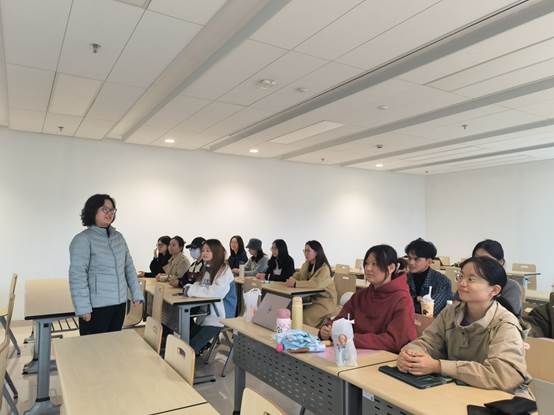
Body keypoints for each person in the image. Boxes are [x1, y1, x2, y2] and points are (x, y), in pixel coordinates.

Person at [398, 256, 531, 397]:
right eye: (460, 276)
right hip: (460, 390)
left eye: (471, 279)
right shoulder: (451, 312)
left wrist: (438, 366)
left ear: (494, 290)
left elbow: (502, 375)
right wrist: (410, 355)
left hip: (503, 398)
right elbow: (428, 342)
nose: (461, 283)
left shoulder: (505, 324)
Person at [69, 194, 144, 336]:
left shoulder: (118, 237)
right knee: (94, 347)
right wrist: (83, 307)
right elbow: (77, 276)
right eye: (105, 209)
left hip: (119, 304)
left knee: (113, 344)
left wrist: (136, 293)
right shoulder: (83, 239)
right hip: (96, 307)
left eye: (112, 210)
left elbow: (128, 267)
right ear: (93, 210)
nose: (109, 213)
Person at [319, 245, 416, 352]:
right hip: (355, 351)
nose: (368, 268)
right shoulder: (361, 295)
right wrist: (327, 329)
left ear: (391, 268)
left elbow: (395, 341)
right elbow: (341, 319)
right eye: (366, 263)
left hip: (385, 357)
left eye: (375, 264)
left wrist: (351, 338)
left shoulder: (402, 299)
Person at [182, 239, 236, 354]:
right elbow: (201, 285)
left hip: (220, 316)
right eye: (203, 250)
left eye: (208, 250)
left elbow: (214, 293)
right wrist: (190, 288)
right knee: (185, 340)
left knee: (191, 346)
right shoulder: (208, 267)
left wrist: (190, 290)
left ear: (216, 252)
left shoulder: (225, 271)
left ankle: (186, 362)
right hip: (207, 313)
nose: (204, 253)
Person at [285, 241, 337, 327]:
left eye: (308, 251)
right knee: (291, 310)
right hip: (311, 299)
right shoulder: (306, 264)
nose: (305, 253)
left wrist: (295, 284)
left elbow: (316, 284)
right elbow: (299, 275)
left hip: (324, 302)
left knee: (303, 317)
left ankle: (304, 334)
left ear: (316, 252)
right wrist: (292, 278)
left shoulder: (324, 268)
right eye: (304, 251)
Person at [470, 239, 523, 317]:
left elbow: (507, 316)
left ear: (501, 262)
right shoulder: (468, 283)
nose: (480, 264)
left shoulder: (511, 287)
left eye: (487, 260)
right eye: (476, 259)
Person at [405, 238, 452, 316]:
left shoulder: (442, 281)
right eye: (409, 258)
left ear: (429, 262)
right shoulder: (404, 278)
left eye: (416, 259)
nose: (411, 262)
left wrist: (409, 301)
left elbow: (430, 310)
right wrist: (417, 299)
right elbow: (395, 303)